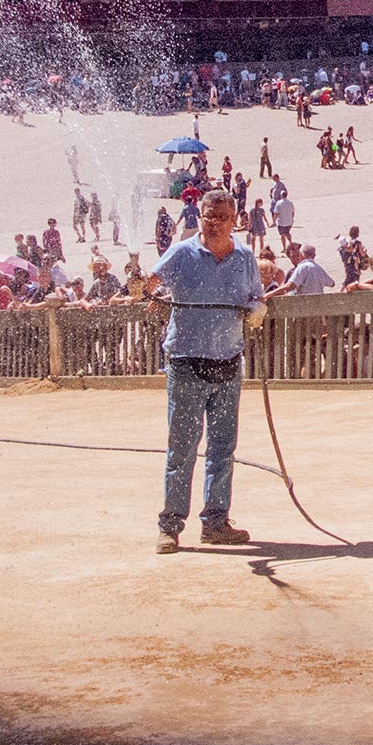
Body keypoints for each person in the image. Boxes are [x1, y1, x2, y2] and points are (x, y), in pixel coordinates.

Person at [149, 190, 263, 554]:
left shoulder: (245, 258)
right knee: (181, 449)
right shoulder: (182, 253)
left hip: (228, 364)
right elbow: (149, 284)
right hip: (186, 364)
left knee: (222, 448)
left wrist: (257, 309)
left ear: (235, 220)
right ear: (199, 216)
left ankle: (215, 522)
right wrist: (141, 289)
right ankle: (170, 526)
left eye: (222, 217)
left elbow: (256, 297)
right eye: (208, 216)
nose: (213, 223)